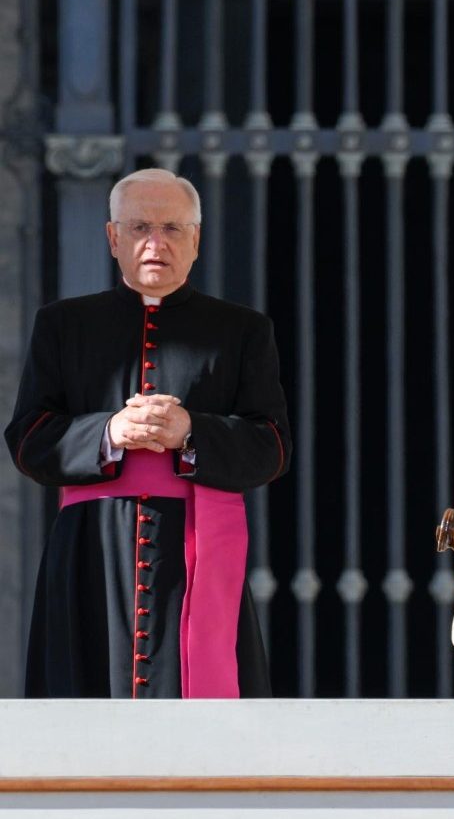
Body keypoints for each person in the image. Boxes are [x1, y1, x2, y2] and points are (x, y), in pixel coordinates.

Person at [5, 168, 291, 698]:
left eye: (173, 229)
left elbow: (271, 447)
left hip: (195, 549)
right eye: (139, 228)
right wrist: (109, 430)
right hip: (91, 550)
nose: (155, 243)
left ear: (197, 240)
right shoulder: (63, 325)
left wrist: (191, 431)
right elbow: (28, 439)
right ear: (114, 238)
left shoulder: (243, 331)